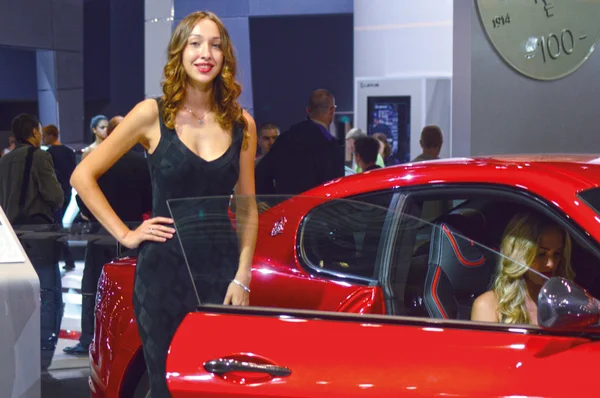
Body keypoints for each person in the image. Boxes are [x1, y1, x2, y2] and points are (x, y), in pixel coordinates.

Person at [70, 11, 257, 396]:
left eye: (216, 45)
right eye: (196, 43)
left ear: (225, 57)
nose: (206, 53)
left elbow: (247, 208)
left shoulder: (242, 123)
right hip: (162, 274)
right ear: (180, 52)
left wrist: (243, 276)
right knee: (166, 384)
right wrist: (126, 232)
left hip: (220, 275)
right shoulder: (151, 114)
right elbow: (82, 177)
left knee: (215, 386)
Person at [65, 114, 152, 355]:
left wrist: (90, 215)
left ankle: (87, 339)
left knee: (92, 287)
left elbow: (81, 198)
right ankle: (124, 341)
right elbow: (150, 201)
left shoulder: (97, 161)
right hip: (131, 234)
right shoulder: (141, 164)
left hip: (100, 232)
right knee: (128, 290)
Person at [471, 213, 574, 325]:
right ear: (519, 254)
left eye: (557, 253)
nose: (551, 264)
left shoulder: (567, 302)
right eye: (541, 254)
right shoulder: (488, 306)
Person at [255, 89, 344, 195]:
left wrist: (274, 202)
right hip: (318, 209)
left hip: (287, 208)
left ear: (308, 110)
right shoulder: (331, 145)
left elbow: (261, 175)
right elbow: (337, 189)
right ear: (332, 110)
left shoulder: (285, 138)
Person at [0, 114, 64, 225]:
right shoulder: (39, 156)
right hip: (36, 230)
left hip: (10, 229)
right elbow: (55, 197)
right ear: (35, 132)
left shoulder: (4, 160)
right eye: (40, 132)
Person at [42, 124, 77, 270]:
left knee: (57, 226)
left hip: (55, 195)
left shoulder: (48, 154)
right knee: (58, 226)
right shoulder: (69, 152)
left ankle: (66, 259)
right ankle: (66, 259)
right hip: (67, 193)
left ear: (50, 136)